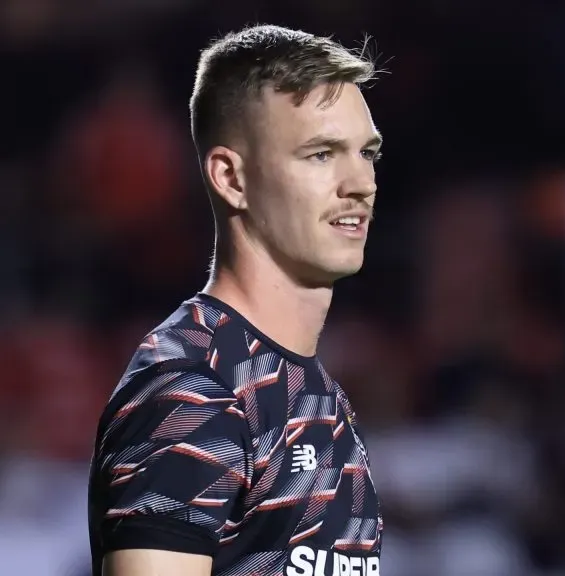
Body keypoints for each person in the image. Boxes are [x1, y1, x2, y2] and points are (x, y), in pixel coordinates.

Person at [87, 24, 385, 576]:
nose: (359, 183)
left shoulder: (317, 393)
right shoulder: (195, 386)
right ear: (231, 178)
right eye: (320, 154)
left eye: (366, 152)